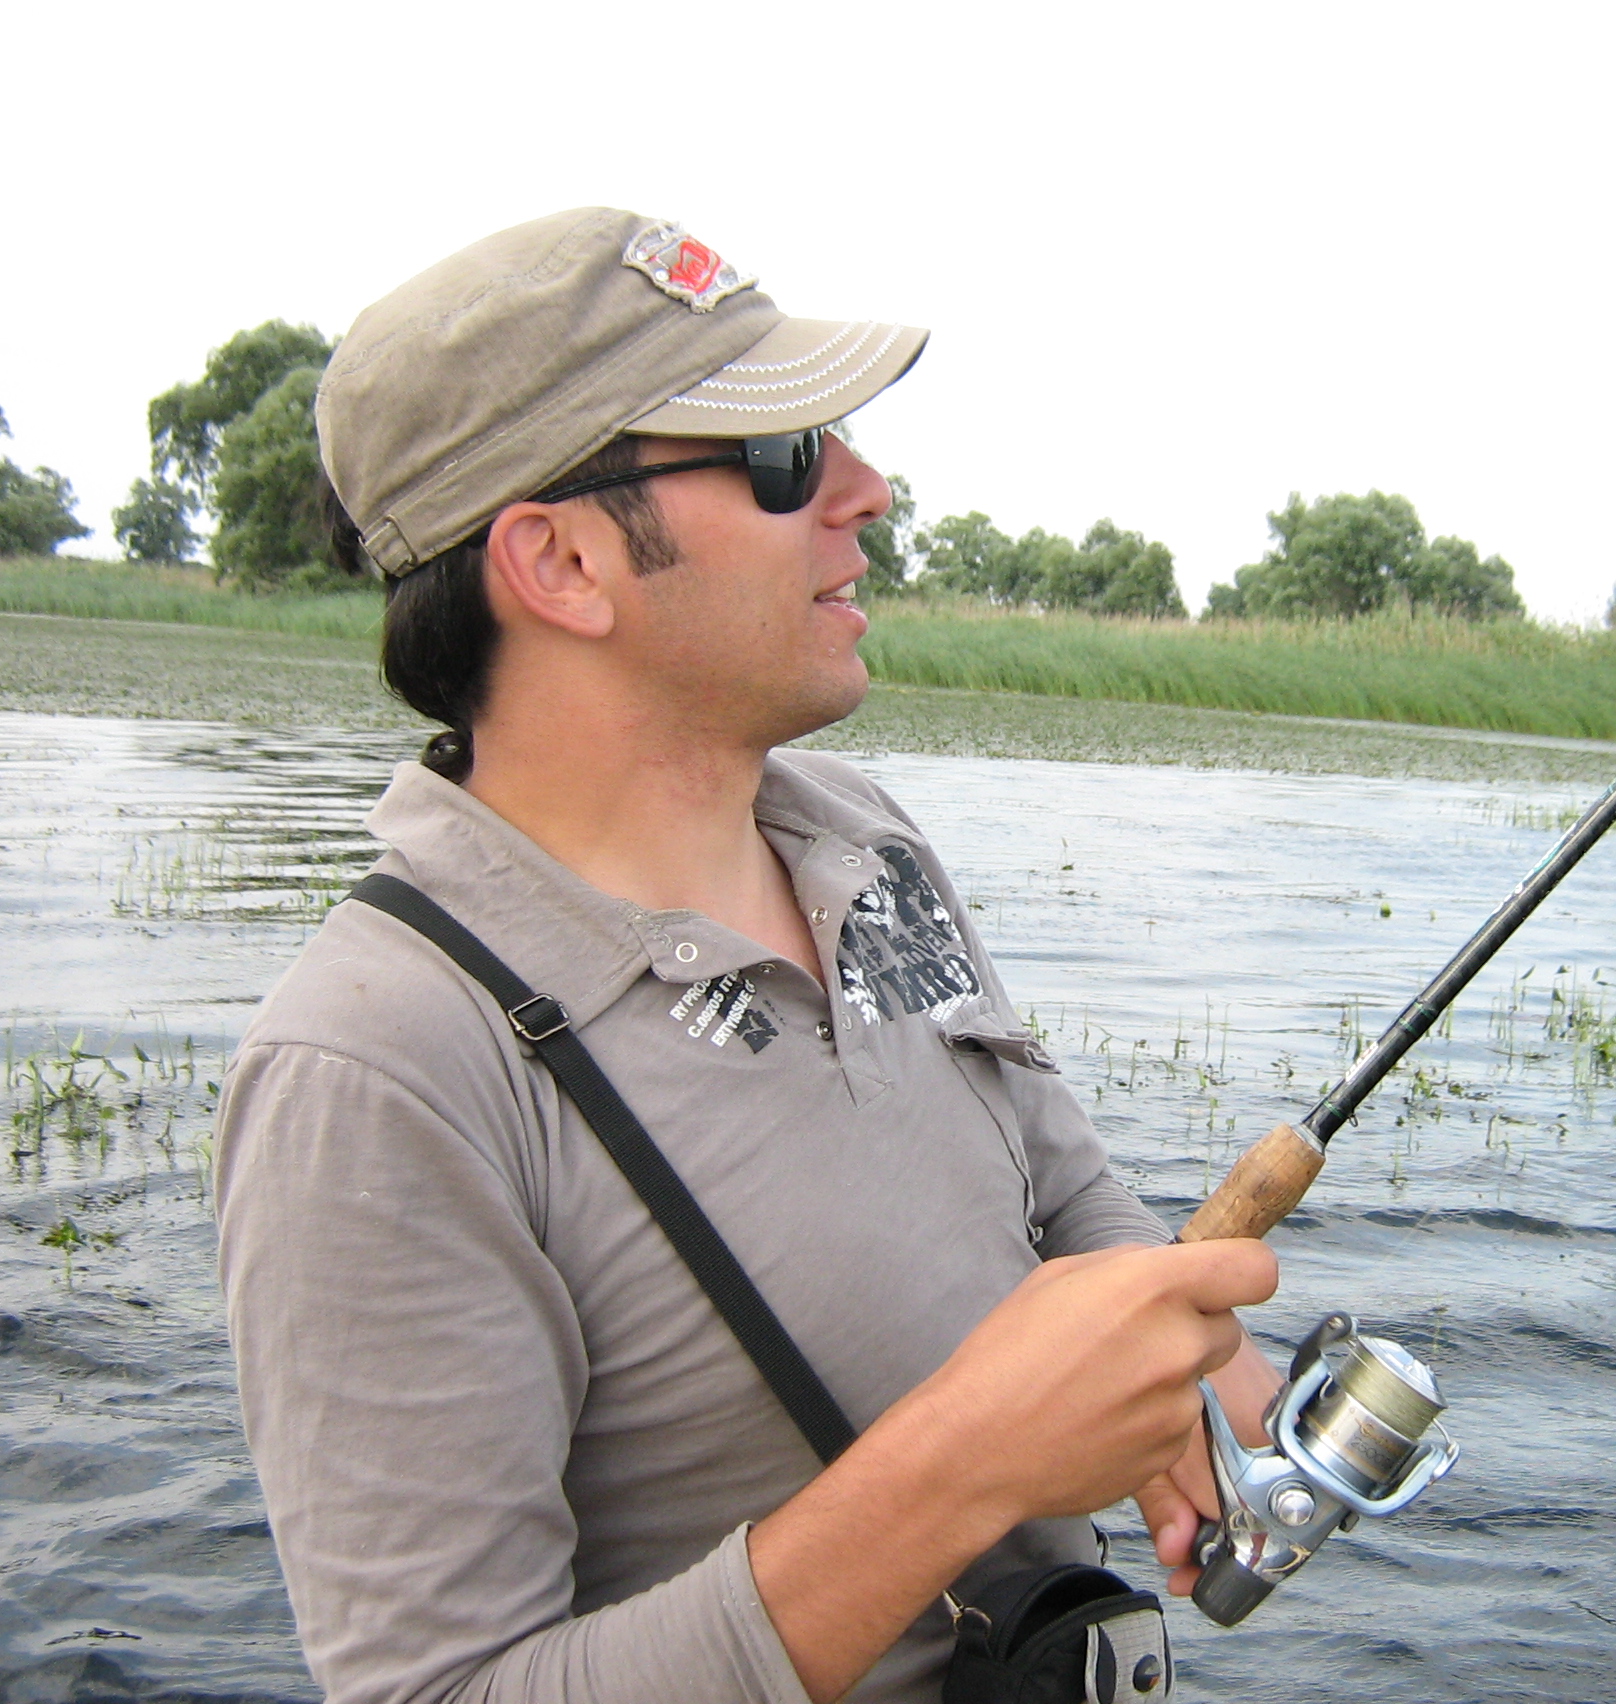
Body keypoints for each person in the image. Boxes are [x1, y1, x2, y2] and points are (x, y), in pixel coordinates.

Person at [213, 207, 1281, 1704]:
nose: (867, 488)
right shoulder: (378, 1065)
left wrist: (1178, 1353)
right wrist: (968, 1463)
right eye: (783, 456)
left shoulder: (866, 839)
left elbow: (1060, 1187)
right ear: (562, 562)